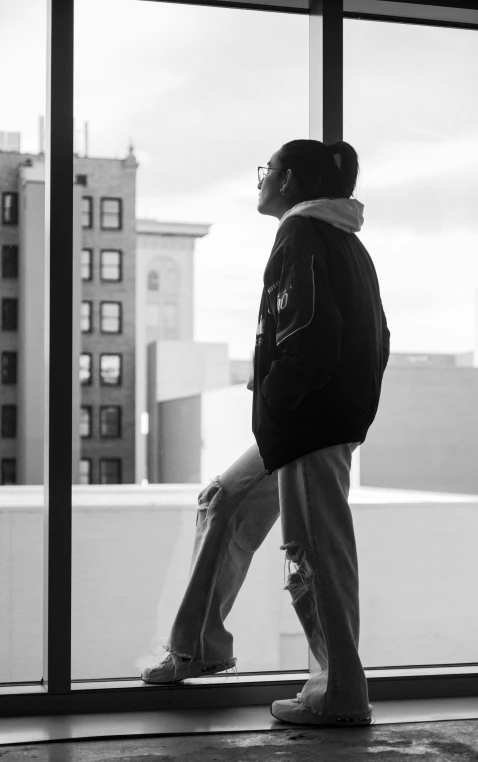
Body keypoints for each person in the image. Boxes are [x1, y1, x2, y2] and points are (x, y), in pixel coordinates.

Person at [141, 139, 390, 728]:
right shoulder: (346, 242)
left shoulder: (302, 236)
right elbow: (377, 338)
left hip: (308, 424)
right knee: (223, 499)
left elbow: (308, 338)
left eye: (268, 171)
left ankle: (340, 696)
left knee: (315, 556)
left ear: (293, 181)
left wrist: (276, 398)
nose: (262, 180)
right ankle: (199, 647)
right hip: (314, 422)